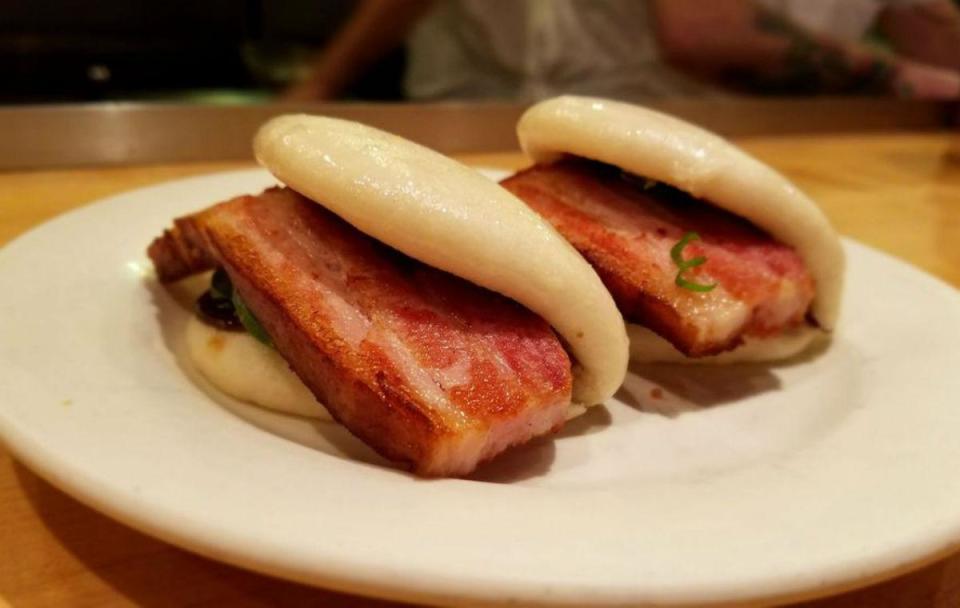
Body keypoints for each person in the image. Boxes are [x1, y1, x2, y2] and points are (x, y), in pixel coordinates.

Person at [282, 0, 960, 101]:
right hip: (487, 106)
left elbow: (929, 28)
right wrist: (313, 94)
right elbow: (701, 29)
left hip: (766, 140)